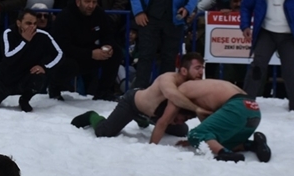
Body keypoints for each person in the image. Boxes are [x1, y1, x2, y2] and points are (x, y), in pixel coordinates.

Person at [70, 52, 203, 141]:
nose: (201, 72)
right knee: (104, 132)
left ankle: (142, 119)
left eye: (202, 68)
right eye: (197, 68)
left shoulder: (192, 85)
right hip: (133, 103)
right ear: (184, 70)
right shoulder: (168, 78)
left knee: (182, 131)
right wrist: (197, 108)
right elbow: (171, 95)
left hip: (154, 113)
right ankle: (91, 115)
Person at [0, 8, 63, 112]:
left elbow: (59, 54)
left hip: (27, 78)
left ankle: (25, 99)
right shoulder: (8, 33)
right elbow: (8, 57)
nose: (33, 27)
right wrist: (24, 41)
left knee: (39, 76)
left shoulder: (43, 35)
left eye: (35, 23)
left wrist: (44, 67)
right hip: (5, 80)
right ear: (19, 23)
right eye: (28, 23)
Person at [50, 0, 120, 100]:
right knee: (67, 64)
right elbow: (63, 46)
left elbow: (108, 33)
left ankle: (103, 92)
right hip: (67, 55)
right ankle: (55, 89)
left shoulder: (99, 13)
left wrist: (107, 45)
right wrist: (90, 54)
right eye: (87, 1)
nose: (91, 6)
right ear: (78, 1)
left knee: (116, 52)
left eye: (94, 2)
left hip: (90, 52)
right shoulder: (65, 16)